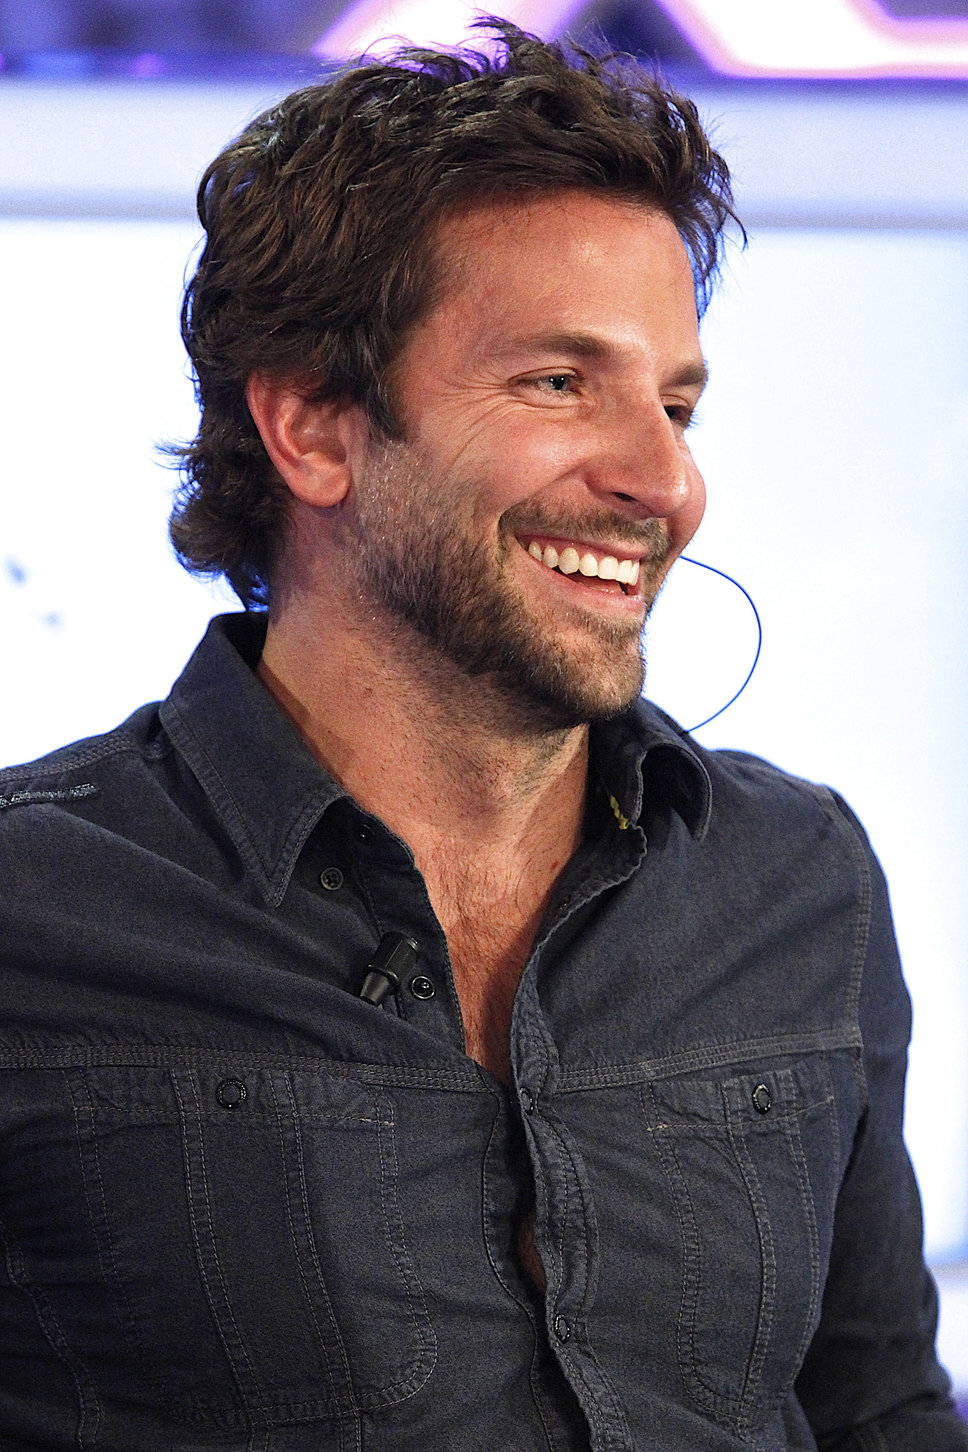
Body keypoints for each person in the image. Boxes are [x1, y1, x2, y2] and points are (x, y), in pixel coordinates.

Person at [0, 21, 963, 1452]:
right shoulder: (34, 908)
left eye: (677, 403)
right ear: (314, 429)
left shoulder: (800, 875)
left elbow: (876, 1409)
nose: (665, 482)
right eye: (559, 382)